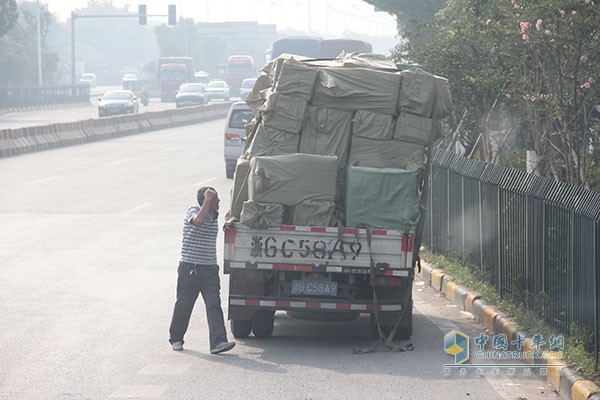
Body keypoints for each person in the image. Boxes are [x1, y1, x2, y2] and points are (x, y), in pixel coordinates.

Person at [168, 186, 235, 354]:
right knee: (184, 304)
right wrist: (208, 198)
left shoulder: (214, 216)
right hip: (191, 268)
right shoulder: (193, 211)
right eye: (216, 199)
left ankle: (218, 342)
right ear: (207, 201)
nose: (219, 202)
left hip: (209, 269)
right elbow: (197, 221)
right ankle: (176, 338)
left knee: (214, 304)